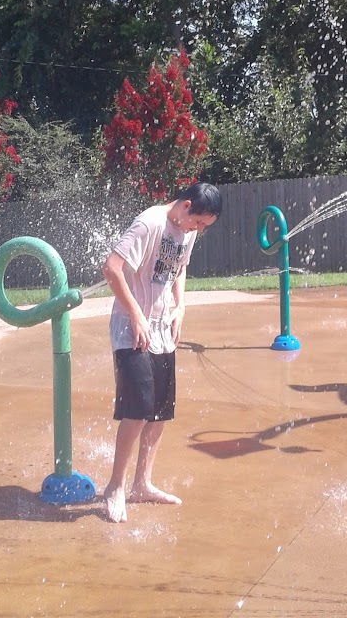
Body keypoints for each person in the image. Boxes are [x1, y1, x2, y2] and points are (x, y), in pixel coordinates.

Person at [101, 181, 222, 523]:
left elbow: (179, 268)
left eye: (204, 227)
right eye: (198, 222)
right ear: (185, 206)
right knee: (138, 409)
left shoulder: (188, 231)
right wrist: (136, 313)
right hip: (131, 326)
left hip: (161, 327)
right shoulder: (149, 223)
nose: (199, 230)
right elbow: (111, 268)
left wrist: (180, 307)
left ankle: (142, 484)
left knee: (159, 411)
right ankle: (115, 487)